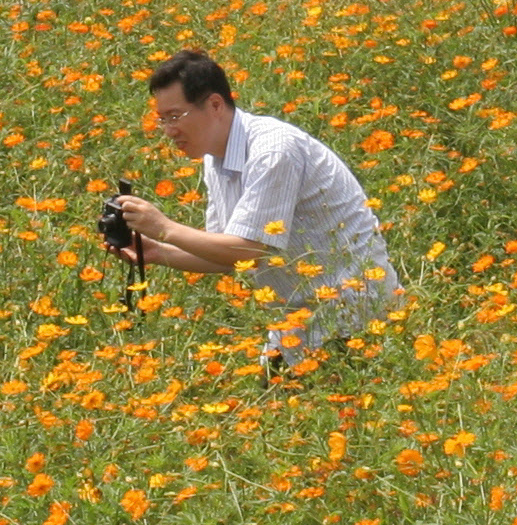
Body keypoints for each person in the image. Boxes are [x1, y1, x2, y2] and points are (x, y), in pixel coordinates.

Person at [109, 50, 404, 372]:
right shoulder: (215, 157)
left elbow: (245, 249)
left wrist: (163, 227)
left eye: (175, 117)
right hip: (297, 323)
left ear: (215, 105)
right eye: (162, 119)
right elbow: (226, 255)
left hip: (352, 316)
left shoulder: (274, 150)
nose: (168, 131)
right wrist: (156, 252)